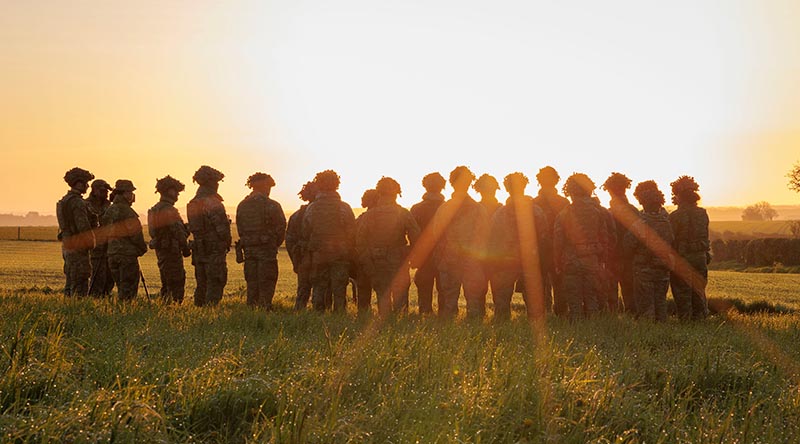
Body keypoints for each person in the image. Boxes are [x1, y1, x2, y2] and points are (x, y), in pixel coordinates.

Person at [486, 172, 550, 321]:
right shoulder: (537, 212)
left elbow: (492, 241)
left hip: (504, 262)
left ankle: (502, 334)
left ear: (507, 189)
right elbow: (544, 239)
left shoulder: (499, 214)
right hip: (531, 262)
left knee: (501, 306)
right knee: (536, 311)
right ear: (525, 187)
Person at [431, 166, 490, 320]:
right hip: (473, 261)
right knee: (474, 303)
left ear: (451, 183)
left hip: (449, 260)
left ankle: (448, 337)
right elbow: (485, 237)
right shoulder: (479, 209)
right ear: (470, 183)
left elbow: (436, 235)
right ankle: (474, 335)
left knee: (448, 302)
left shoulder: (444, 209)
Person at [356, 178, 420, 316]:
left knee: (383, 299)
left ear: (379, 193)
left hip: (377, 262)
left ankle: (384, 327)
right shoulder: (403, 213)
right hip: (399, 261)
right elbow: (417, 238)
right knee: (401, 302)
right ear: (397, 193)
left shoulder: (369, 215)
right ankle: (400, 328)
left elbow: (360, 242)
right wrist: (408, 254)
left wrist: (368, 260)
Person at [553, 173, 611, 320]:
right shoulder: (599, 212)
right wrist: (602, 259)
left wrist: (557, 262)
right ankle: (593, 329)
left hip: (571, 261)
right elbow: (605, 238)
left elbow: (558, 241)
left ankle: (578, 328)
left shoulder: (564, 213)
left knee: (574, 300)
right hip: (592, 260)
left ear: (571, 192)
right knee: (592, 298)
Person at [301, 170, 356, 312]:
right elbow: (352, 233)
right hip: (340, 255)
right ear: (337, 185)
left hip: (319, 255)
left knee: (319, 288)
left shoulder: (312, 208)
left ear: (318, 185)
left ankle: (318, 319)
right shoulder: (344, 207)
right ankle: (339, 319)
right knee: (339, 290)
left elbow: (306, 231)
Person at [624, 181, 674, 321]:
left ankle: (648, 332)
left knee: (646, 306)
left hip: (644, 269)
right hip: (662, 269)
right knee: (661, 303)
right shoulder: (666, 222)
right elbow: (671, 241)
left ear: (643, 203)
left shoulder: (640, 223)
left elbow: (628, 245)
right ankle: (661, 329)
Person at [235, 173, 286, 309]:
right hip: (266, 251)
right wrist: (273, 244)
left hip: (249, 251)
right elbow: (281, 228)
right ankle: (264, 311)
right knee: (267, 282)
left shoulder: (242, 205)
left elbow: (240, 228)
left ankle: (251, 310)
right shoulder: (272, 205)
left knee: (252, 282)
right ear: (265, 186)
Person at [187, 165, 231, 306]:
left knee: (202, 282)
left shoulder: (193, 203)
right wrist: (226, 241)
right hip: (213, 250)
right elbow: (222, 230)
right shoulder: (213, 202)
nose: (217, 185)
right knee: (216, 281)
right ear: (211, 183)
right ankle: (210, 313)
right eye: (216, 182)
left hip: (199, 249)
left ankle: (199, 312)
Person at [669, 176, 710, 320]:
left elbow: (670, 239)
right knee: (698, 290)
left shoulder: (675, 216)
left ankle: (685, 320)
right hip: (700, 257)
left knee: (682, 291)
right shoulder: (703, 214)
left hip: (682, 258)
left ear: (679, 196)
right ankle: (701, 318)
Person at [532, 166, 570, 315]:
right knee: (560, 284)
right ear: (556, 181)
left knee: (540, 286)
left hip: (539, 251)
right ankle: (561, 314)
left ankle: (542, 315)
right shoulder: (564, 202)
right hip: (559, 251)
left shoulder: (533, 203)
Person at [148, 175, 191, 304]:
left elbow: (153, 232)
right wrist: (185, 247)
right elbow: (178, 232)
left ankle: (165, 306)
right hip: (171, 251)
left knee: (166, 282)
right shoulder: (169, 210)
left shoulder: (154, 209)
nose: (177, 195)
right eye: (176, 192)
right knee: (176, 281)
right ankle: (174, 308)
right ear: (169, 191)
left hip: (162, 251)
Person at [103, 180, 148, 301]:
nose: (132, 195)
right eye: (130, 192)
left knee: (120, 285)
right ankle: (126, 312)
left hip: (112, 253)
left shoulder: (109, 210)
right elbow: (135, 234)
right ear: (124, 193)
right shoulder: (127, 212)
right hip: (126, 255)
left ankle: (120, 310)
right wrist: (142, 248)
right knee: (128, 287)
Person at [602, 172, 640, 313]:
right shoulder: (634, 211)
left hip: (612, 258)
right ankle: (633, 320)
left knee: (611, 293)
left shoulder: (607, 213)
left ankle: (613, 320)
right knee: (630, 293)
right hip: (630, 258)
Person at [409, 172, 446, 314]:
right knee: (444, 289)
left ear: (425, 186)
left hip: (424, 257)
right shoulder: (449, 208)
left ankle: (425, 316)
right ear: (442, 187)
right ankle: (445, 319)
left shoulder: (416, 209)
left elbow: (412, 236)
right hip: (445, 255)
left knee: (424, 289)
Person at [57, 167, 96, 297]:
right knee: (80, 281)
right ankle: (78, 312)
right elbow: (83, 228)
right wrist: (92, 243)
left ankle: (68, 309)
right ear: (78, 183)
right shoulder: (77, 203)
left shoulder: (63, 201)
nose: (87, 186)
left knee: (70, 280)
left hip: (67, 245)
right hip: (78, 247)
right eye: (85, 183)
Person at [286, 180, 320, 310]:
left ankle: (299, 315)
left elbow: (289, 240)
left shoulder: (296, 215)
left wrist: (296, 260)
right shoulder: (328, 211)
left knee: (302, 291)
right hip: (319, 257)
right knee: (322, 290)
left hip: (303, 257)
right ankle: (321, 316)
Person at [85, 179, 115, 296]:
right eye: (102, 191)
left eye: (106, 191)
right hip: (96, 249)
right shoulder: (87, 205)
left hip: (109, 247)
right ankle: (94, 300)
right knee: (98, 278)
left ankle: (105, 298)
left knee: (110, 278)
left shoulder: (109, 205)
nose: (105, 193)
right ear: (95, 190)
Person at [353, 189, 380, 313]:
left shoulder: (362, 218)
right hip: (383, 260)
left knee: (363, 293)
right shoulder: (390, 216)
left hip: (364, 260)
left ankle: (363, 316)